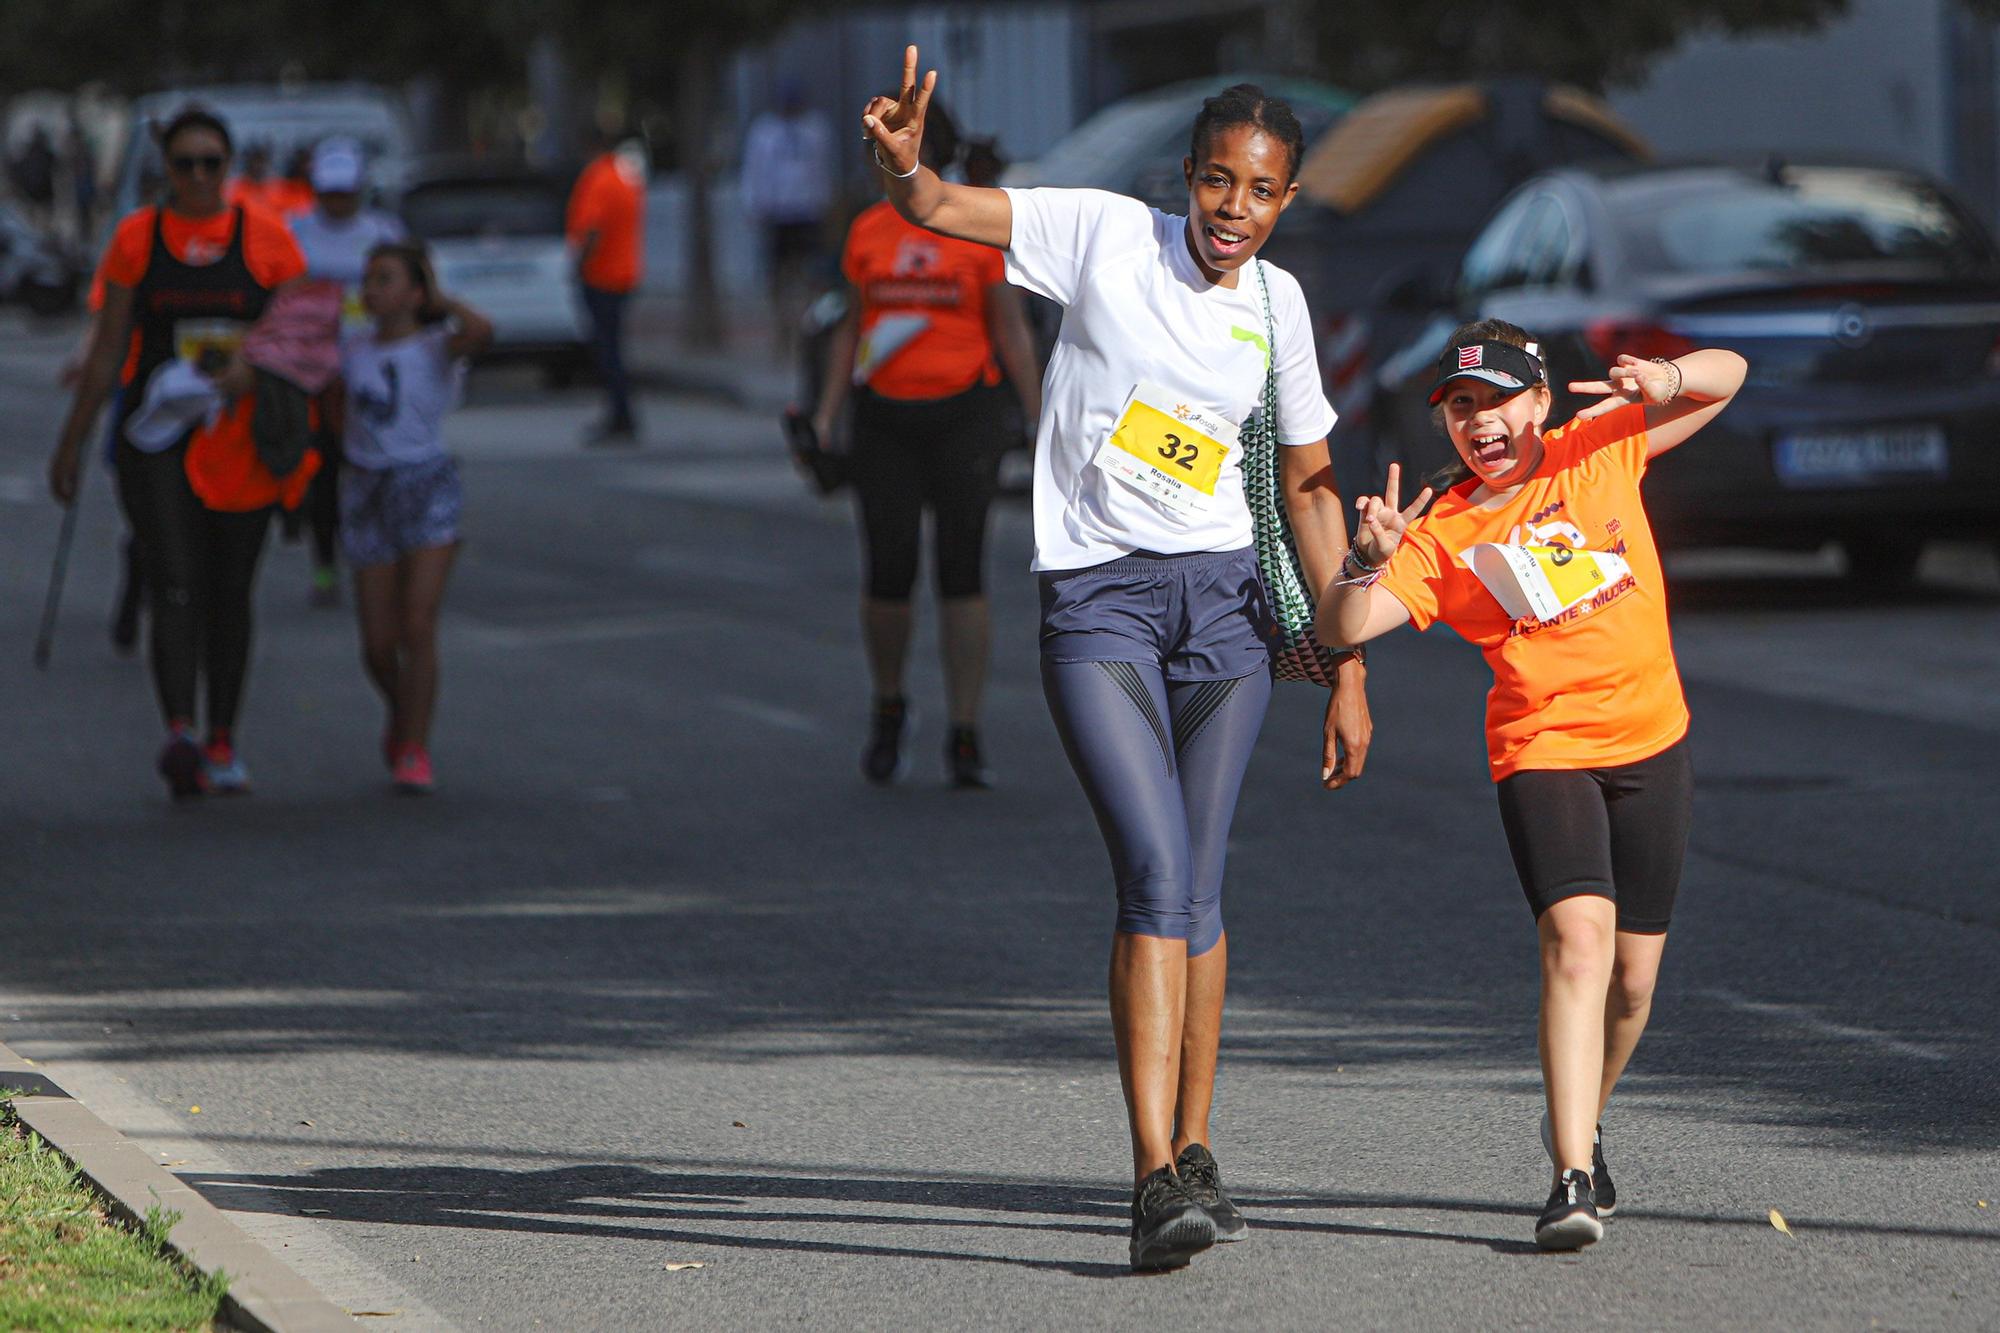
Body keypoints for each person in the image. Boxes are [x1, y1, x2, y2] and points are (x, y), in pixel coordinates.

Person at [859, 48, 1372, 1270]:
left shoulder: (1276, 304)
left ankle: (1196, 1150)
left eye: (1256, 192)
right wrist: (904, 168)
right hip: (1097, 601)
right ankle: (1150, 1180)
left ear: (1284, 199)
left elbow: (1307, 486)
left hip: (1229, 615)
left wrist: (1345, 659)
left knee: (1198, 882)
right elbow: (939, 210)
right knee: (1150, 869)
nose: (1230, 212)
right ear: (1182, 177)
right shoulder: (1101, 234)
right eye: (1213, 183)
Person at [1319, 320, 1746, 1250]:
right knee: (1577, 942)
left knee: (1632, 984)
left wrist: (1662, 377)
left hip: (1652, 737)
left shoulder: (1600, 444)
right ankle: (1571, 1176)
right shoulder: (1443, 530)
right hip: (1542, 745)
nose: (1482, 422)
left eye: (1499, 400)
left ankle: (1583, 1116)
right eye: (1462, 407)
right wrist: (1366, 556)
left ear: (1541, 402)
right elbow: (1342, 624)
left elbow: (1730, 376)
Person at [48, 105, 314, 799]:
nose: (198, 176)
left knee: (230, 591)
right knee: (174, 578)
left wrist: (254, 372)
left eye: (211, 163)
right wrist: (72, 442)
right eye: (184, 163)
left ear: (229, 168)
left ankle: (224, 734)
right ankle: (180, 731)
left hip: (242, 436)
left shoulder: (267, 240)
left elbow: (304, 342)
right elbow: (108, 348)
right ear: (164, 169)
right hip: (159, 434)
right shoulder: (138, 238)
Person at [811, 101, 1041, 787]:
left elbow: (1011, 328)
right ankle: (889, 704)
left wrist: (1038, 418)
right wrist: (827, 412)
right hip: (884, 418)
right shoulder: (866, 233)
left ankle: (965, 730)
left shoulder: (972, 231)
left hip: (965, 415)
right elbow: (852, 326)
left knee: (961, 571)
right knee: (888, 573)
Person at [339, 243, 492, 793]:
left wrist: (438, 298)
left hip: (425, 482)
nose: (372, 289)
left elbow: (481, 330)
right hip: (367, 486)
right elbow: (340, 413)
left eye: (386, 279)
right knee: (378, 643)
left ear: (412, 290)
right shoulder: (353, 350)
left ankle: (414, 746)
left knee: (418, 622)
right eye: (368, 279)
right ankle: (404, 713)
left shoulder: (435, 348)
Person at [288, 137, 408, 605]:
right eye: (329, 192)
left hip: (372, 372)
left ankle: (379, 557)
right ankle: (324, 562)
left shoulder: (384, 233)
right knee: (324, 471)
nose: (338, 201)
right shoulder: (294, 232)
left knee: (376, 468)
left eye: (346, 192)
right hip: (312, 372)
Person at [565, 130, 646, 444]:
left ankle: (620, 415)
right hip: (625, 273)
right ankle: (621, 412)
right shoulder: (626, 178)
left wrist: (579, 264)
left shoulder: (597, 179)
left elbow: (591, 228)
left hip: (601, 275)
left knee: (607, 350)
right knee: (614, 347)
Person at [744, 80, 834, 357]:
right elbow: (755, 170)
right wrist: (755, 206)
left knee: (808, 272)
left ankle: (806, 327)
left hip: (807, 210)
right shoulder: (764, 132)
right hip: (778, 212)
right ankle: (783, 329)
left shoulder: (815, 129)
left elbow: (823, 169)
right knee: (778, 275)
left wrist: (826, 205)